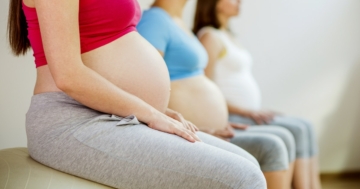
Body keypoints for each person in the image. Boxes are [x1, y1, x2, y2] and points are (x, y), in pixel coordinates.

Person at [7, 0, 267, 188]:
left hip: (112, 112)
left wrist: (156, 109)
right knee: (244, 178)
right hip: (71, 120)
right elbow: (68, 76)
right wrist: (150, 112)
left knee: (248, 163)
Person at [137, 0, 297, 188]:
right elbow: (142, 88)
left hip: (212, 128)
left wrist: (219, 119)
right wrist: (194, 127)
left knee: (281, 139)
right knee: (271, 146)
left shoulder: (177, 22)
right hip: (191, 132)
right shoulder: (154, 21)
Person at [193, 0, 321, 188]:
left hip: (249, 112)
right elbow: (207, 90)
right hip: (234, 115)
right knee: (297, 130)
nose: (239, 1)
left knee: (306, 126)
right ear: (216, 3)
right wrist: (246, 112)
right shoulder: (209, 37)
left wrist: (252, 110)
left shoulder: (227, 35)